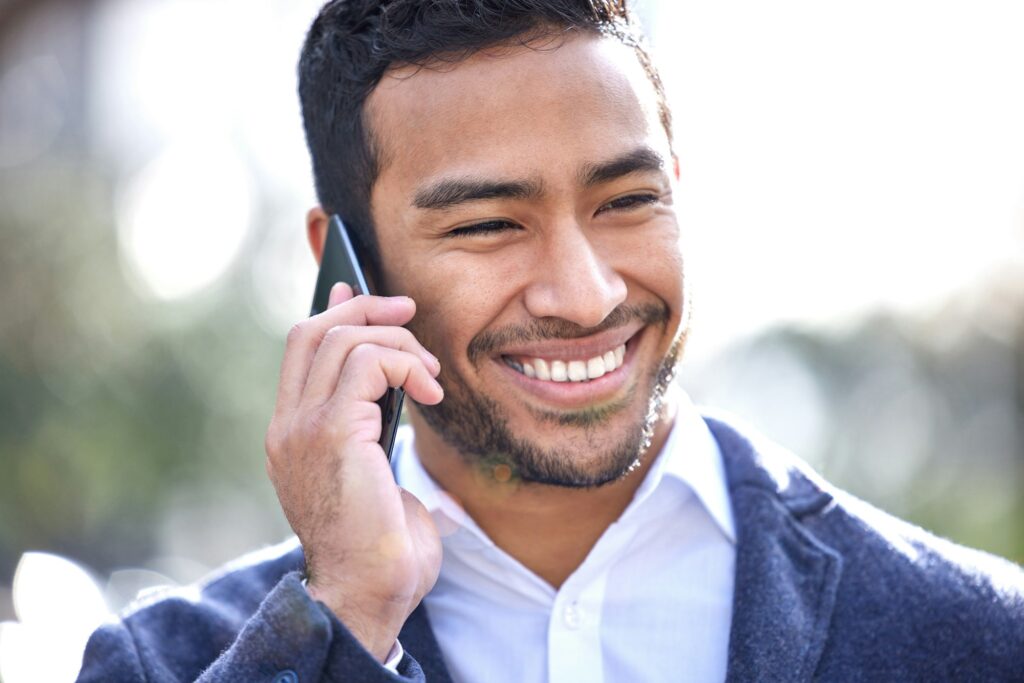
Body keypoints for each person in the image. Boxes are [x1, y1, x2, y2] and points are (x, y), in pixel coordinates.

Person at [77, 0, 1024, 681]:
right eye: (489, 224)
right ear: (343, 270)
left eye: (627, 201)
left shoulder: (979, 636)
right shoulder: (165, 663)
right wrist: (345, 620)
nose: (586, 293)